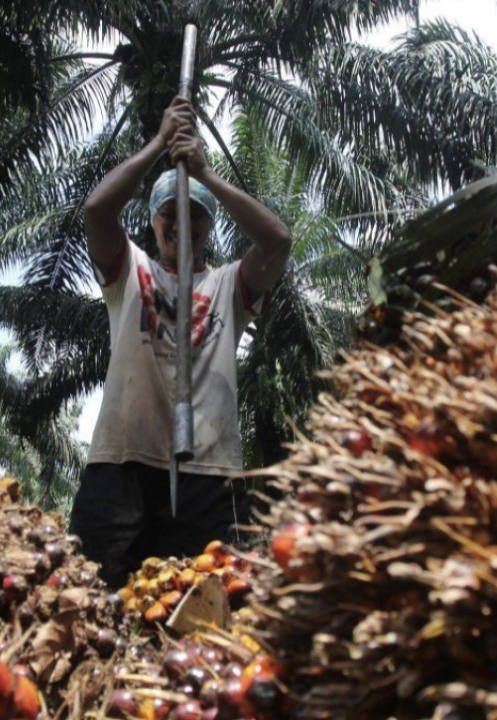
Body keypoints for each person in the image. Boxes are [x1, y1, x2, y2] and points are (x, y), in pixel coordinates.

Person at [70, 96, 292, 588]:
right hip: (122, 461)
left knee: (201, 609)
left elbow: (278, 241)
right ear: (153, 220)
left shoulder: (229, 286)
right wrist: (159, 143)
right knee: (91, 596)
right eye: (170, 212)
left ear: (210, 226)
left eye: (196, 215)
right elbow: (97, 209)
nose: (181, 224)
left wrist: (206, 175)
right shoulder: (131, 271)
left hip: (208, 473)